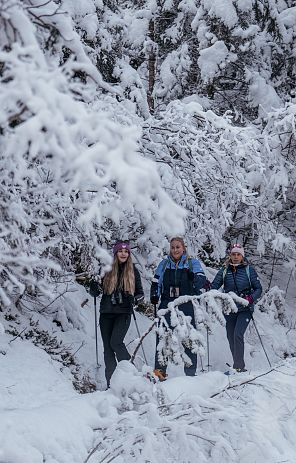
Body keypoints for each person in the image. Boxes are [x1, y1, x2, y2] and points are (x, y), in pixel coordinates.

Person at [88, 241, 144, 387]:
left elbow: (141, 294)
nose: (123, 254)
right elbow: (96, 289)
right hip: (106, 312)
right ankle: (111, 384)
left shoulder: (133, 270)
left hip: (123, 313)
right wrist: (93, 288)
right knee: (108, 348)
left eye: (126, 252)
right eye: (120, 251)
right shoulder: (106, 269)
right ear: (115, 253)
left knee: (116, 343)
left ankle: (130, 375)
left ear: (129, 254)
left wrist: (135, 299)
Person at [150, 237, 206, 380]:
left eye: (178, 247)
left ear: (183, 248)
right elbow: (156, 281)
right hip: (167, 303)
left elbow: (201, 281)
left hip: (185, 303)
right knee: (162, 336)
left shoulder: (192, 263)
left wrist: (193, 277)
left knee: (189, 337)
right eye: (173, 247)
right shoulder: (164, 264)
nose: (175, 250)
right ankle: (159, 372)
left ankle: (190, 373)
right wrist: (154, 294)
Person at [211, 243, 262, 373]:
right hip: (230, 309)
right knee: (230, 336)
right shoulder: (224, 270)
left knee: (238, 334)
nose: (235, 256)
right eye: (233, 254)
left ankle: (239, 366)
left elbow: (258, 288)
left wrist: (250, 298)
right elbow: (214, 286)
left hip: (245, 309)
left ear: (242, 256)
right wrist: (207, 289)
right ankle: (237, 364)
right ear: (230, 255)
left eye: (238, 254)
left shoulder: (248, 270)